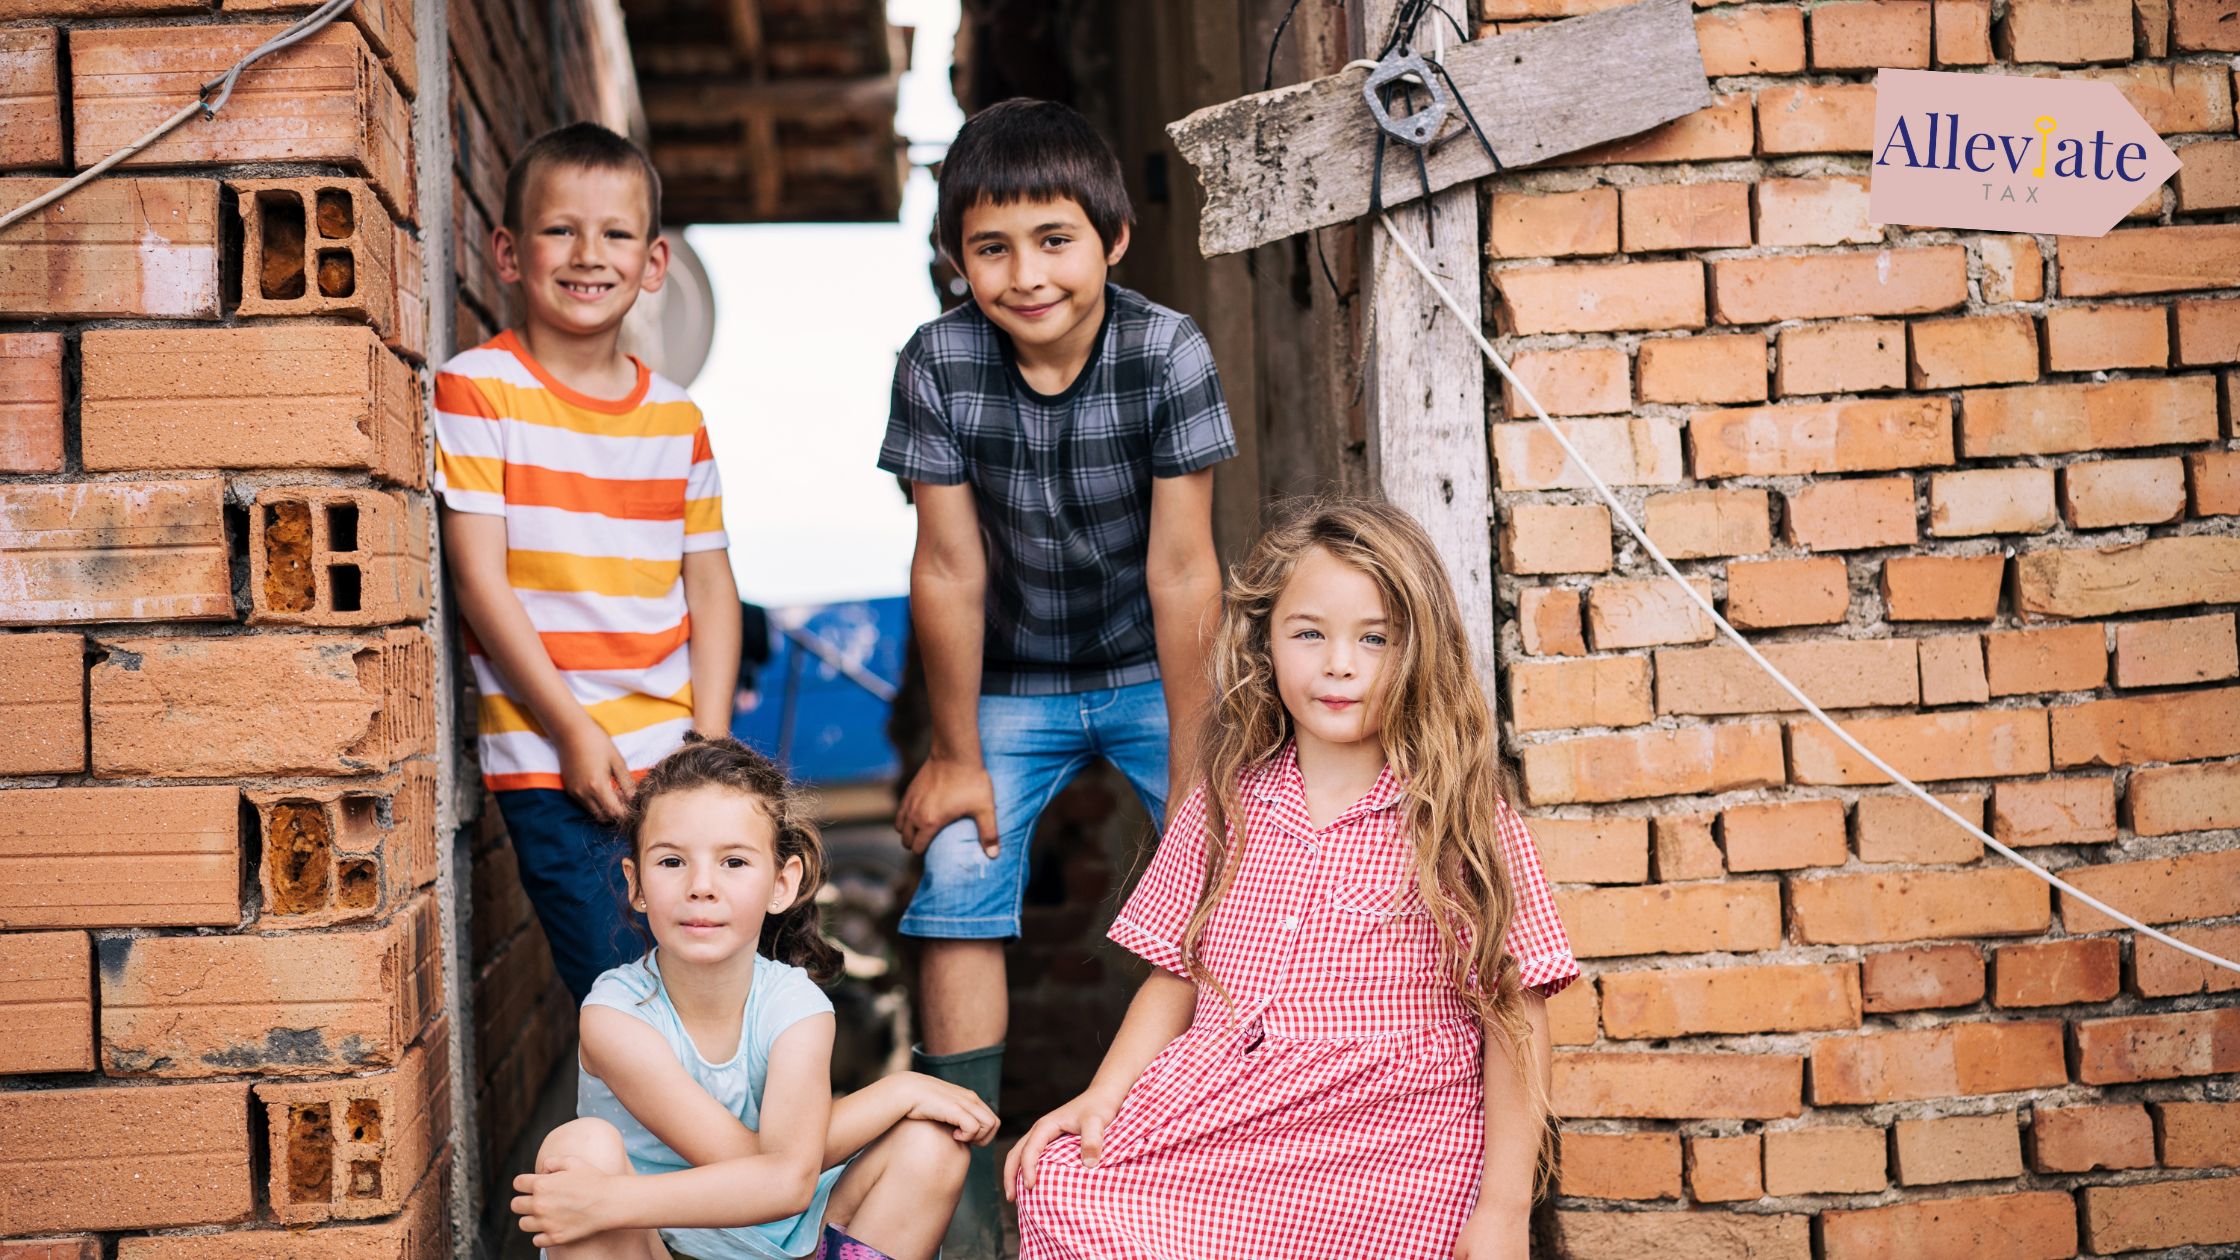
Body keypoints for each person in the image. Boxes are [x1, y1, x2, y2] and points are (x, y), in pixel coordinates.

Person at [1006, 498, 1580, 1260]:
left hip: (1390, 1145)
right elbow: (1176, 975)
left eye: (1374, 639)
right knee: (1058, 1182)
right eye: (1308, 633)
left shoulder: (1457, 818)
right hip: (1224, 1120)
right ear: (1265, 643)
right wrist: (1101, 1098)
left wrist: (1503, 1211)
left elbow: (1516, 1013)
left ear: (1420, 651)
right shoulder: (1226, 799)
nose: (1339, 664)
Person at [874, 97, 1234, 1253]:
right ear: (955, 258)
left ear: (1112, 240)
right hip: (1008, 683)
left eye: (1053, 239)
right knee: (955, 875)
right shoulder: (936, 362)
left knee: (1227, 875)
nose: (1025, 274)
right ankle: (964, 1186)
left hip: (1148, 667)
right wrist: (956, 754)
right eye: (990, 246)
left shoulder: (1164, 347)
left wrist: (1194, 773)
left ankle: (1203, 1152)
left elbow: (1184, 574)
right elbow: (945, 564)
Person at [433, 121, 742, 1000]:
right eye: (560, 229)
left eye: (614, 234)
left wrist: (711, 743)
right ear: (507, 250)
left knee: (713, 990)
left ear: (653, 265)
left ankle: (722, 1145)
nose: (586, 254)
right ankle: (638, 1145)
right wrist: (571, 728)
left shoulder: (677, 419)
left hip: (680, 758)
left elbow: (711, 585)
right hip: (552, 758)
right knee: (623, 996)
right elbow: (479, 579)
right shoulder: (479, 389)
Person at [511, 735, 998, 1260]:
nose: (701, 886)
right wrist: (892, 1094)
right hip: (653, 1244)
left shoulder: (795, 1007)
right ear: (637, 885)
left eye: (734, 863)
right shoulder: (614, 1016)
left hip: (781, 1240)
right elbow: (763, 1167)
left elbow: (786, 1182)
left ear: (782, 884)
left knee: (930, 1142)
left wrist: (611, 1201)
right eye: (672, 862)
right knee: (579, 1148)